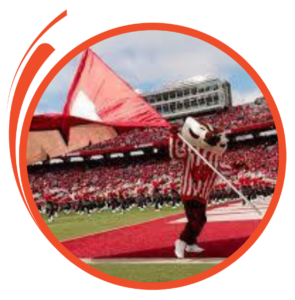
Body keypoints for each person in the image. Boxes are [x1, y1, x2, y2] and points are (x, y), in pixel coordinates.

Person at [170, 117, 239, 258]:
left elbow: (223, 171)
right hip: (190, 191)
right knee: (196, 220)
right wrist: (173, 137)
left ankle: (191, 243)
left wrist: (235, 167)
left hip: (203, 194)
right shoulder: (191, 150)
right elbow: (175, 154)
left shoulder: (215, 157)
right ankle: (181, 241)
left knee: (199, 220)